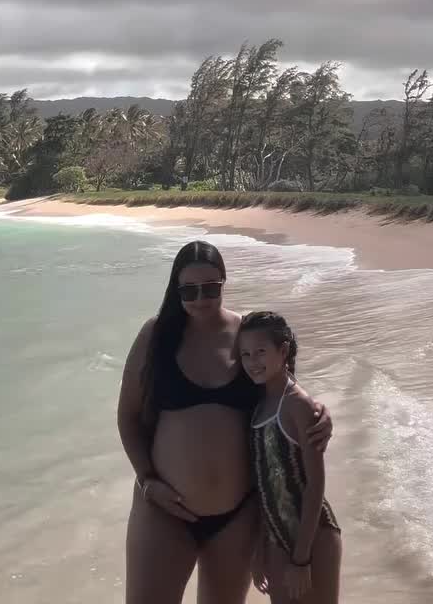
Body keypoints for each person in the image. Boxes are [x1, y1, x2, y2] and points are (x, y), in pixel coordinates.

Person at [117, 241, 334, 604]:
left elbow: (284, 393)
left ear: (223, 283)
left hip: (236, 516)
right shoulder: (156, 337)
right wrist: (147, 479)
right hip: (163, 511)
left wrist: (318, 412)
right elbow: (127, 416)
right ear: (176, 289)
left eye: (210, 288)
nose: (201, 298)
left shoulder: (245, 335)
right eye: (189, 290)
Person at [238, 311, 342, 604]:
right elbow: (263, 486)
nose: (252, 361)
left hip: (313, 536)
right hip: (277, 539)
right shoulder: (258, 407)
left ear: (282, 351)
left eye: (260, 352)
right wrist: (260, 549)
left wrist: (301, 559)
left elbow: (315, 485)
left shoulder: (297, 404)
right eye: (245, 354)